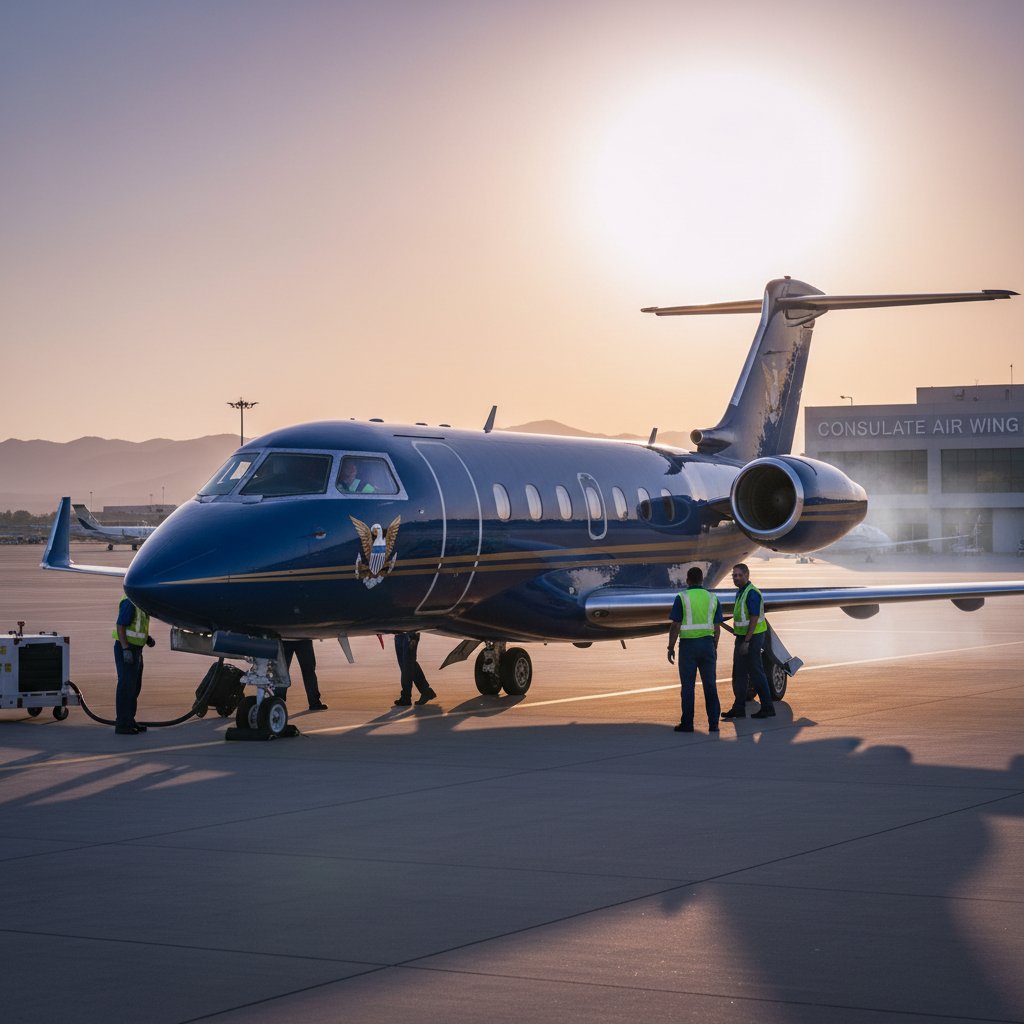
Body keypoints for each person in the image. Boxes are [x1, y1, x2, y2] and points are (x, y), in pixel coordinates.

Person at [667, 566, 722, 733]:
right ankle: (714, 724)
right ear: (702, 580)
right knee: (710, 685)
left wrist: (670, 647)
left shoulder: (682, 598)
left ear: (687, 580)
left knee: (688, 687)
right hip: (707, 645)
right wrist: (714, 646)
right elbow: (717, 627)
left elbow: (675, 625)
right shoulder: (712, 598)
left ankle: (687, 724)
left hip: (688, 647)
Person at [723, 562, 775, 720]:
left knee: (756, 672)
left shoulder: (752, 593)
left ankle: (767, 707)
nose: (736, 578)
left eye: (739, 575)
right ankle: (738, 707)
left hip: (752, 637)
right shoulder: (741, 592)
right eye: (734, 576)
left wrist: (747, 641)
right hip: (742, 637)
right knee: (738, 673)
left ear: (747, 575)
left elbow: (753, 618)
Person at [113, 593, 155, 735]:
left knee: (134, 686)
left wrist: (147, 639)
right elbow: (121, 626)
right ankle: (122, 724)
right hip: (127, 649)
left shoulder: (141, 601)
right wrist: (125, 649)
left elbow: (138, 626)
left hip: (136, 649)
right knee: (126, 686)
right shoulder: (130, 602)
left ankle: (129, 720)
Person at [281, 639, 328, 711]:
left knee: (282, 672)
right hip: (302, 638)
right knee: (308, 671)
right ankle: (314, 703)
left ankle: (278, 701)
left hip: (287, 638)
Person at [393, 631, 435, 706]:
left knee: (408, 665)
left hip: (410, 632)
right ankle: (426, 691)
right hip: (398, 632)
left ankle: (406, 697)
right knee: (407, 664)